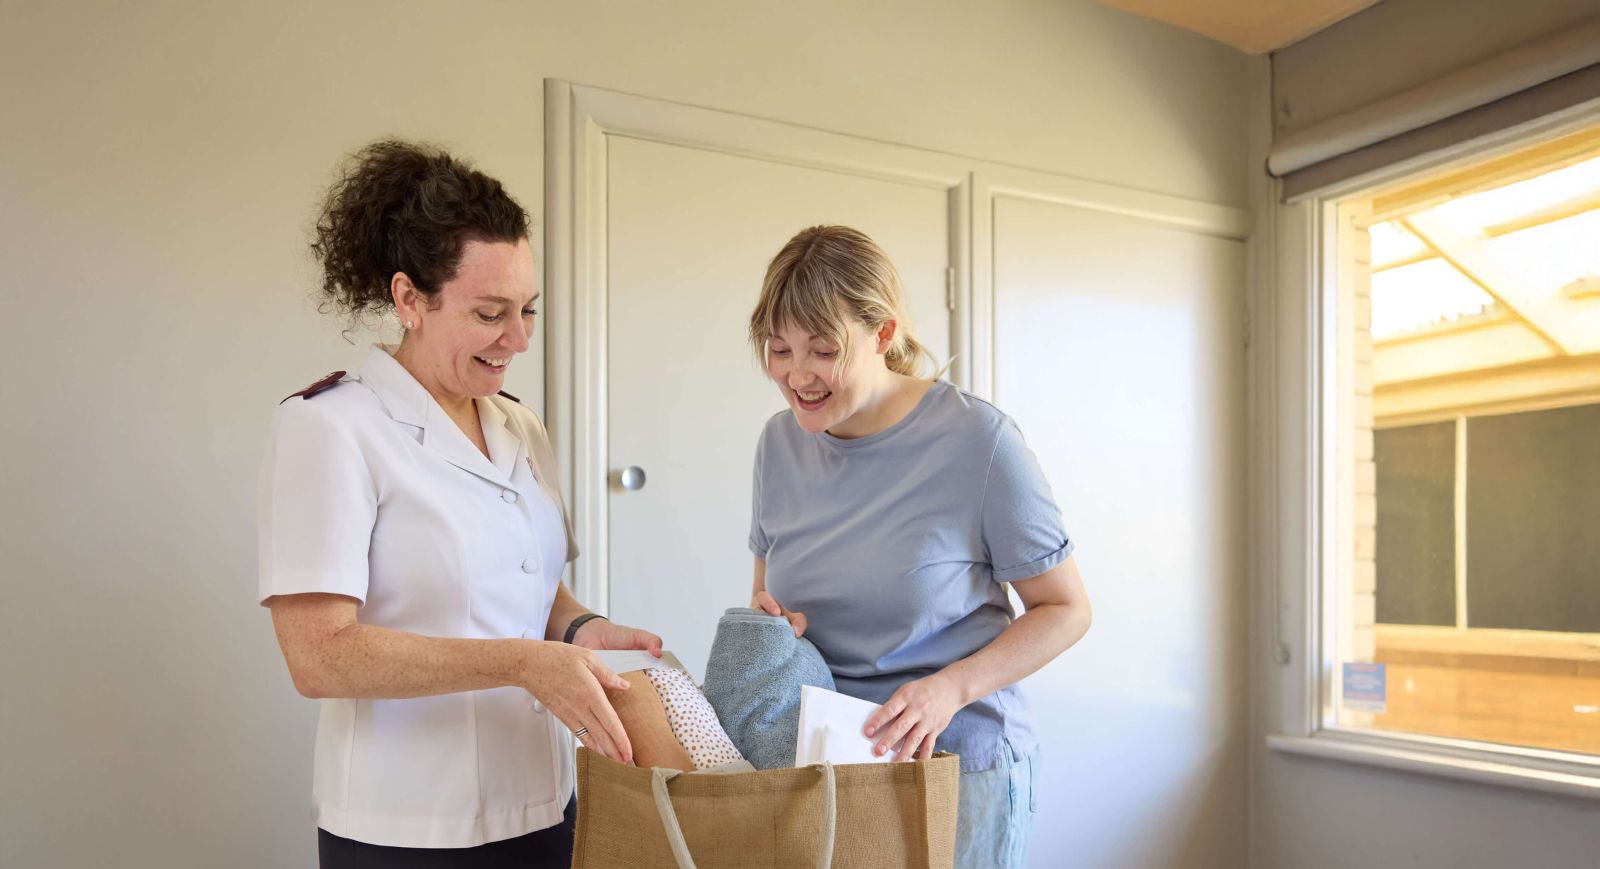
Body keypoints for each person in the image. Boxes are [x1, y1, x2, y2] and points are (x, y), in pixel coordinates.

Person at [258, 140, 661, 868]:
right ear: (409, 298)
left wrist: (579, 628)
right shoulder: (331, 428)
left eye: (528, 310)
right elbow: (319, 656)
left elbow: (531, 586)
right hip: (406, 823)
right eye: (489, 312)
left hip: (541, 799)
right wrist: (523, 662)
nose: (518, 339)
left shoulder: (519, 425)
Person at [745, 225, 1092, 868]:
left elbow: (1067, 609)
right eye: (778, 349)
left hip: (958, 765)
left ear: (882, 335)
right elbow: (769, 598)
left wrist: (950, 689)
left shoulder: (977, 441)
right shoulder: (779, 444)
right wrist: (775, 630)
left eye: (823, 350)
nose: (797, 375)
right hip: (828, 765)